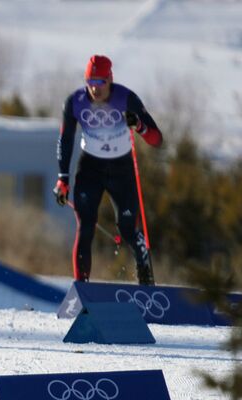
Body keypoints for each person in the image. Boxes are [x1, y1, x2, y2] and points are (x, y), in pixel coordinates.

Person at [54, 54, 162, 285]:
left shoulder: (126, 98)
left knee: (127, 228)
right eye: (90, 83)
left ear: (110, 79)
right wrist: (62, 178)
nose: (95, 89)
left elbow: (157, 139)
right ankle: (82, 288)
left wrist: (140, 126)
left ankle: (145, 276)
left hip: (121, 169)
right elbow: (65, 140)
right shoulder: (74, 102)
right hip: (90, 168)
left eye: (100, 82)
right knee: (85, 227)